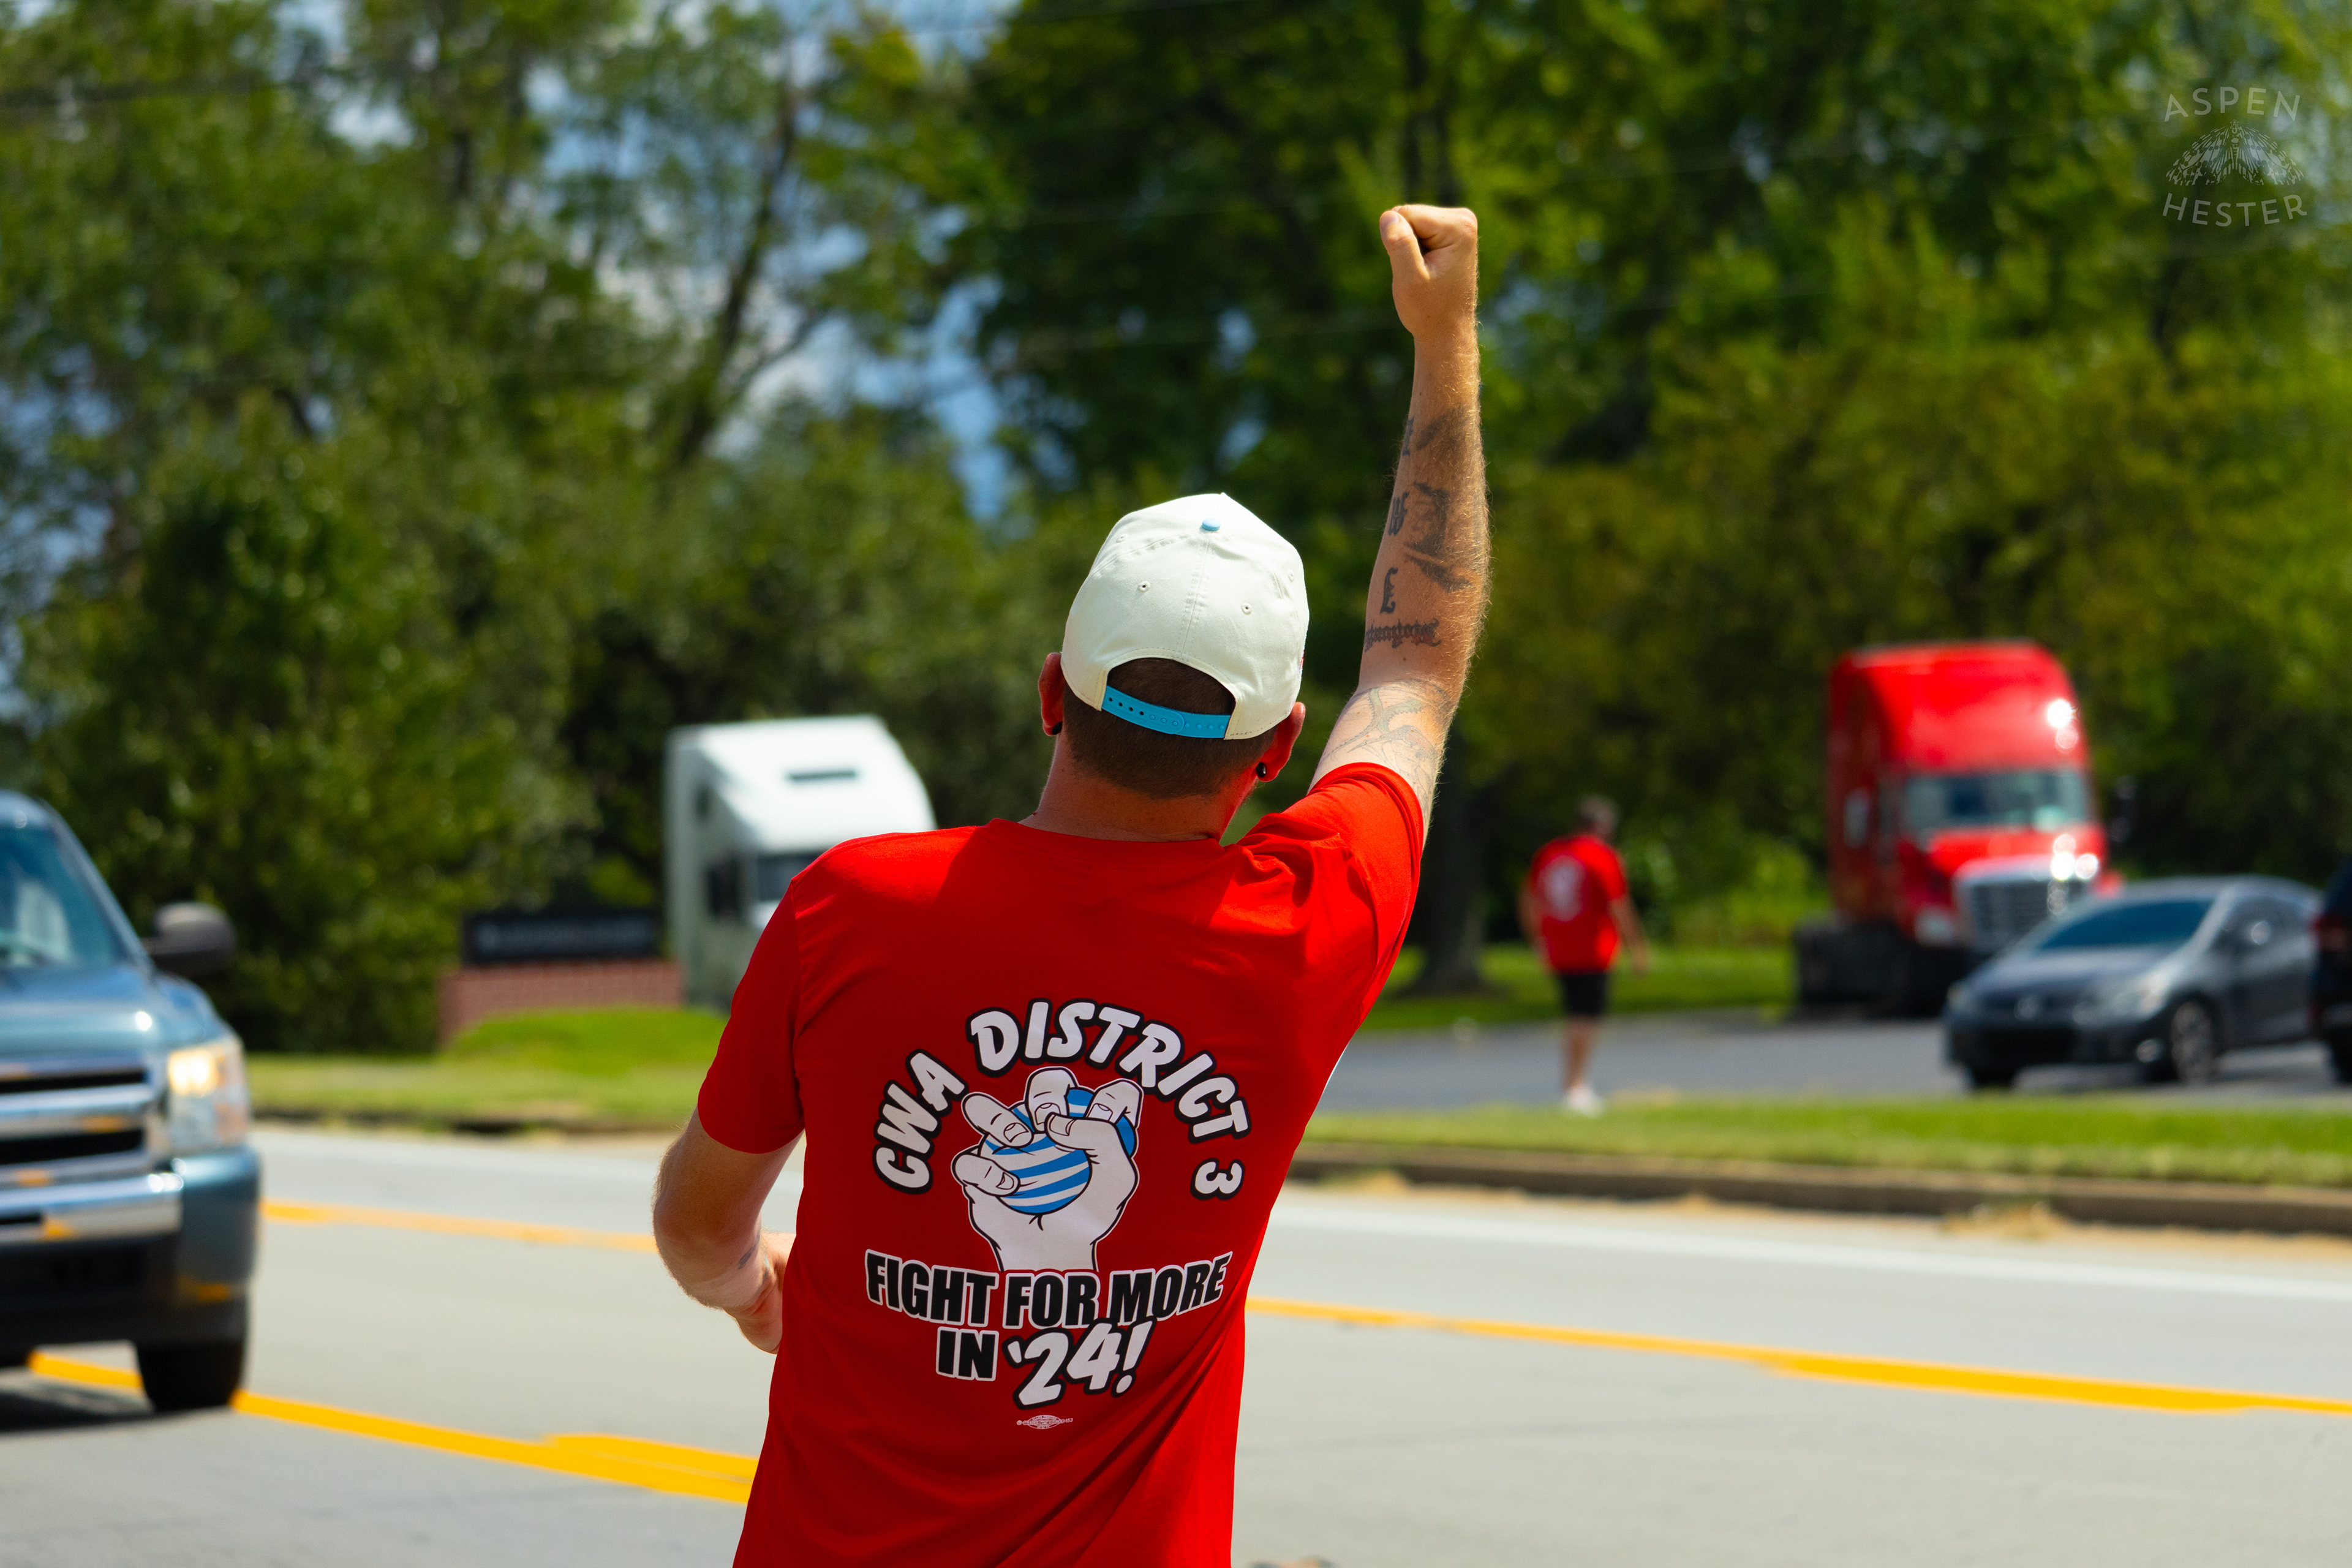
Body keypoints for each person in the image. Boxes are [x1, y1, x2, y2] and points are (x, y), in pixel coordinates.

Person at [650, 202, 1488, 1567]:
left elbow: (699, 1216)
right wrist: (1443, 341)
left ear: (1053, 690)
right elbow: (1413, 669)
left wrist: (753, 1286)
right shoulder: (1304, 922)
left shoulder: (852, 907)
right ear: (1273, 755)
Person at [1520, 796, 1651, 1116]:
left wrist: (1537, 940)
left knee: (1576, 1015)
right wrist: (1638, 949)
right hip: (1593, 951)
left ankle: (1575, 1083)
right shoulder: (1602, 857)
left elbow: (1528, 899)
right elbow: (1619, 906)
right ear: (1601, 826)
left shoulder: (1550, 854)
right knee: (1585, 1018)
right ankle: (1575, 1086)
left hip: (1559, 949)